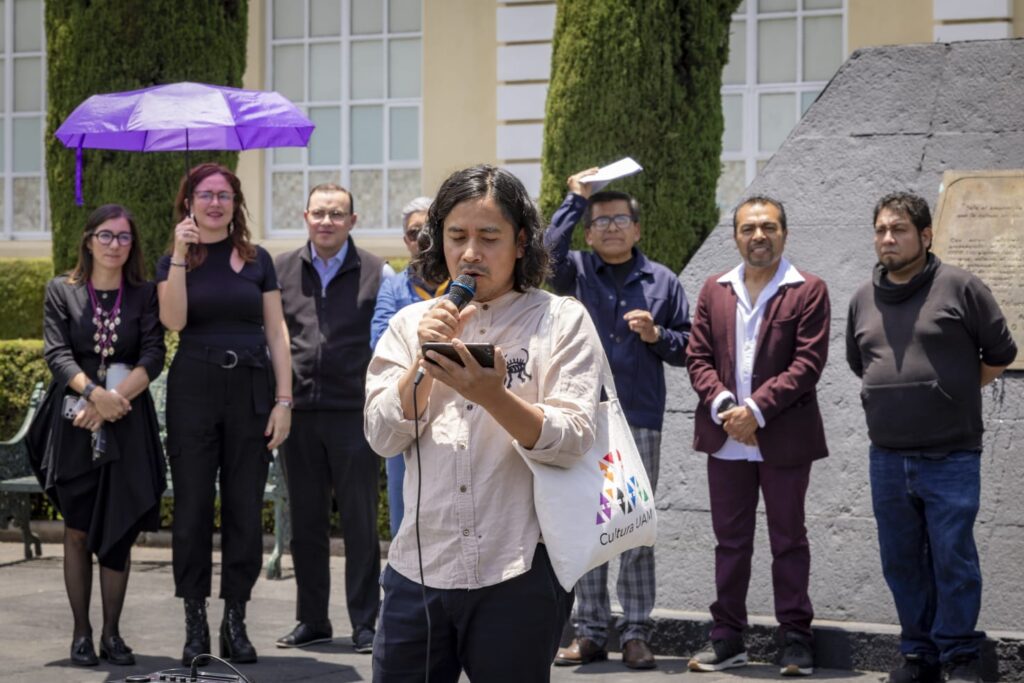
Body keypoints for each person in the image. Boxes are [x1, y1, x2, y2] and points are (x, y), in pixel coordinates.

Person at [364, 164, 604, 682]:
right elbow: (382, 437)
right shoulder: (409, 325)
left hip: (518, 569)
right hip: (419, 567)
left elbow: (571, 440)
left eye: (489, 237)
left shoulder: (560, 320)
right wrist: (424, 357)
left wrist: (494, 397)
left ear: (521, 243)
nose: (471, 252)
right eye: (457, 236)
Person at [846, 192, 1016, 683]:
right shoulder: (862, 299)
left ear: (925, 235)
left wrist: (953, 391)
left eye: (899, 229)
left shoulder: (961, 287)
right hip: (887, 458)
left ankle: (960, 654)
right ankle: (918, 655)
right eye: (881, 230)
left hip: (951, 455)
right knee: (901, 562)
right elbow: (862, 364)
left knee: (952, 557)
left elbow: (1000, 353)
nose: (888, 238)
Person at [546, 168, 690, 670]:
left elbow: (689, 346)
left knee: (634, 522)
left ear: (637, 229)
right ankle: (589, 631)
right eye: (600, 221)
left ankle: (635, 631)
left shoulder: (663, 281)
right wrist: (574, 199)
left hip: (639, 418)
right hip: (582, 416)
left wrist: (657, 336)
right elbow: (546, 252)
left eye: (620, 219)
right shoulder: (575, 272)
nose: (610, 228)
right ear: (588, 233)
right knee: (588, 522)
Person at [685, 196, 830, 676]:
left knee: (788, 539)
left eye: (768, 227)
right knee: (730, 543)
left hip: (783, 437)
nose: (758, 236)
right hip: (726, 436)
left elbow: (807, 364)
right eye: (748, 228)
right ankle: (728, 638)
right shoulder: (714, 289)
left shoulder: (808, 289)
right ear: (735, 236)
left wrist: (756, 411)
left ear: (784, 233)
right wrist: (728, 408)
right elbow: (697, 358)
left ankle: (796, 637)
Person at [156, 163, 293, 666]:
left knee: (244, 508)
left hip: (251, 390)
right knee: (192, 509)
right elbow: (173, 321)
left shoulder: (258, 260)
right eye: (205, 194)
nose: (215, 203)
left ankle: (235, 620)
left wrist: (284, 401)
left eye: (224, 195)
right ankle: (194, 623)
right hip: (194, 388)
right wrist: (179, 254)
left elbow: (277, 332)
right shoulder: (174, 260)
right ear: (188, 203)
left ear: (236, 204)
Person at [27, 204, 166, 667]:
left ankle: (112, 634)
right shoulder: (61, 290)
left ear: (133, 245)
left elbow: (154, 354)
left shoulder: (145, 293)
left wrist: (114, 400)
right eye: (105, 235)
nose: (114, 245)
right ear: (88, 240)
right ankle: (81, 634)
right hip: (74, 422)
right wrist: (94, 395)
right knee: (78, 528)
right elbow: (57, 353)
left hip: (127, 420)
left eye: (123, 237)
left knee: (120, 527)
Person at [273, 183, 389, 653]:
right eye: (319, 213)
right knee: (306, 523)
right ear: (305, 217)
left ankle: (365, 624)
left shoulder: (377, 271)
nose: (326, 221)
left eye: (336, 214)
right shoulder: (280, 270)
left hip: (354, 414)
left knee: (360, 524)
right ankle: (312, 619)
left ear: (352, 221)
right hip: (299, 413)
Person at [370, 195, 445, 538]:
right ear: (406, 241)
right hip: (407, 407)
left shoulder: (465, 282)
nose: (424, 238)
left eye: (431, 229)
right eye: (416, 232)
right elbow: (380, 341)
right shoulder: (394, 286)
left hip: (452, 409)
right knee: (405, 515)